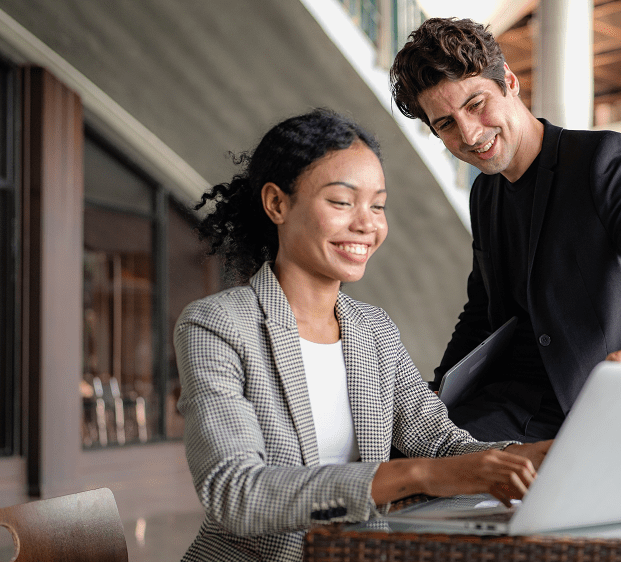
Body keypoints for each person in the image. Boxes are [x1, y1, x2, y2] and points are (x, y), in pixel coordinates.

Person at [175, 109, 550, 562]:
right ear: (277, 204)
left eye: (377, 205)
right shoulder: (216, 325)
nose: (367, 224)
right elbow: (237, 494)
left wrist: (532, 456)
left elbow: (442, 444)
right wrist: (416, 475)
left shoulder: (373, 329)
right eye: (341, 201)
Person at [389, 18, 621, 443]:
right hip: (505, 402)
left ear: (510, 81)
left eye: (475, 105)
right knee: (392, 447)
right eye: (446, 124)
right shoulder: (485, 193)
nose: (469, 134)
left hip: (586, 404)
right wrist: (438, 393)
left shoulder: (598, 160)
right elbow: (481, 310)